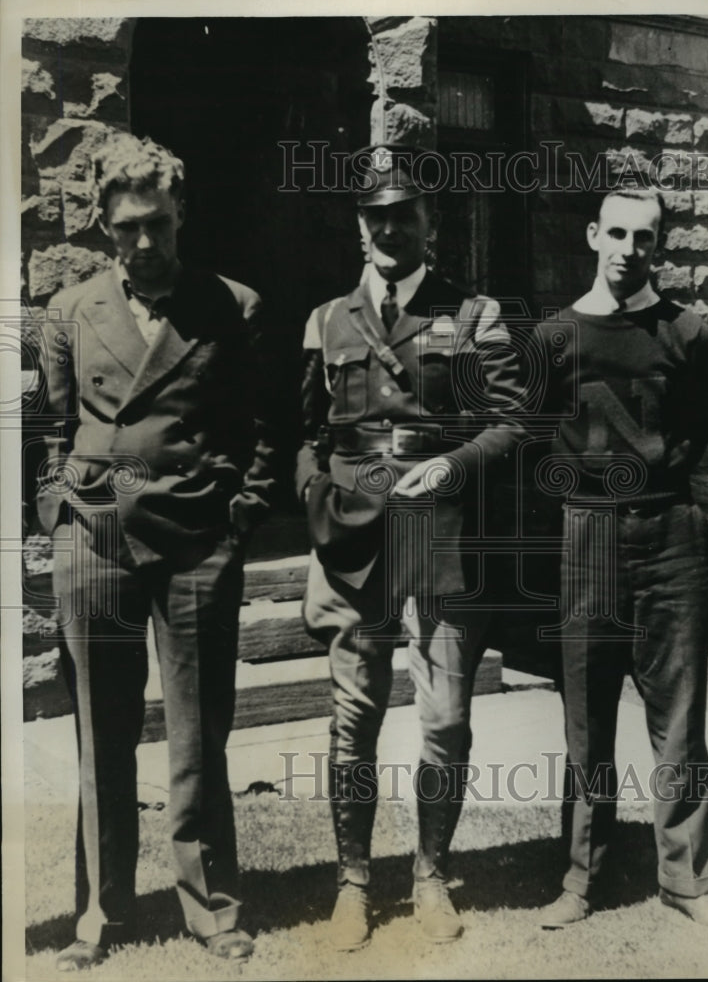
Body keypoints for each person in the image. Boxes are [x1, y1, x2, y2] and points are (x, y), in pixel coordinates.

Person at [36, 133, 275, 970]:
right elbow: (50, 427)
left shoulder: (231, 305)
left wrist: (236, 520)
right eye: (129, 227)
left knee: (197, 733)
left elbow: (262, 432)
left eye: (161, 225)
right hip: (95, 541)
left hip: (194, 542)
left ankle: (213, 908)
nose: (147, 243)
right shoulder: (70, 312)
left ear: (183, 218)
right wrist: (56, 512)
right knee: (101, 735)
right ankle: (100, 917)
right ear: (105, 227)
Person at [296, 143, 525, 949]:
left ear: (433, 224)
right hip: (357, 539)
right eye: (377, 216)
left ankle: (431, 874)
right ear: (361, 227)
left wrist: (449, 466)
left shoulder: (474, 316)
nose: (391, 228)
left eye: (406, 215)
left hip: (441, 536)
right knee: (352, 713)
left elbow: (510, 424)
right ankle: (352, 884)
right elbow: (304, 431)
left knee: (445, 718)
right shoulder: (327, 319)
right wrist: (313, 493)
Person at [532, 188, 708, 929]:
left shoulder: (687, 332)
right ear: (592, 235)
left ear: (658, 246)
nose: (627, 249)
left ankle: (686, 879)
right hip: (587, 538)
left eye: (644, 237)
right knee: (587, 717)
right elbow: (540, 441)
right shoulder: (554, 337)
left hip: (670, 535)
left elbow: (692, 438)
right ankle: (582, 877)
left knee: (679, 718)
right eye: (616, 233)